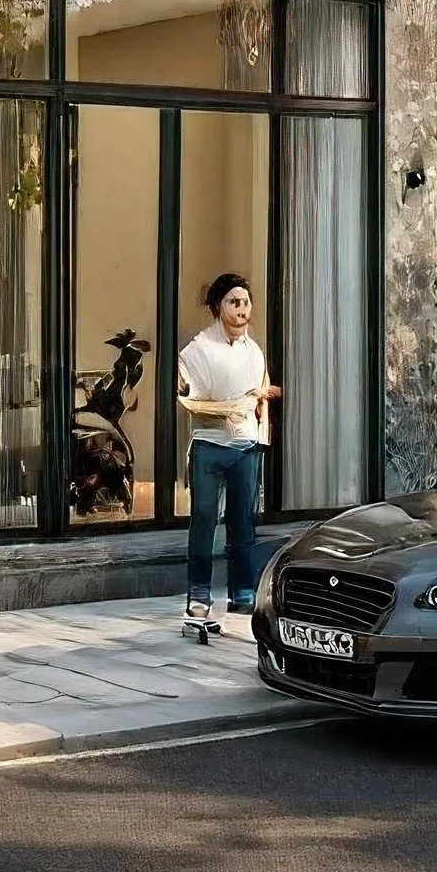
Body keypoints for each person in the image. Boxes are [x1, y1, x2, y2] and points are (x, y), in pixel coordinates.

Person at [177, 269, 280, 627]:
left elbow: (260, 395)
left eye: (245, 302)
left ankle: (242, 590)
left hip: (246, 447)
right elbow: (188, 401)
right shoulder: (197, 351)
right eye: (233, 302)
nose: (241, 309)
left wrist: (259, 422)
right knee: (204, 521)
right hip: (209, 446)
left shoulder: (254, 351)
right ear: (218, 307)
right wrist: (229, 408)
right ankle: (199, 593)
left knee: (242, 522)